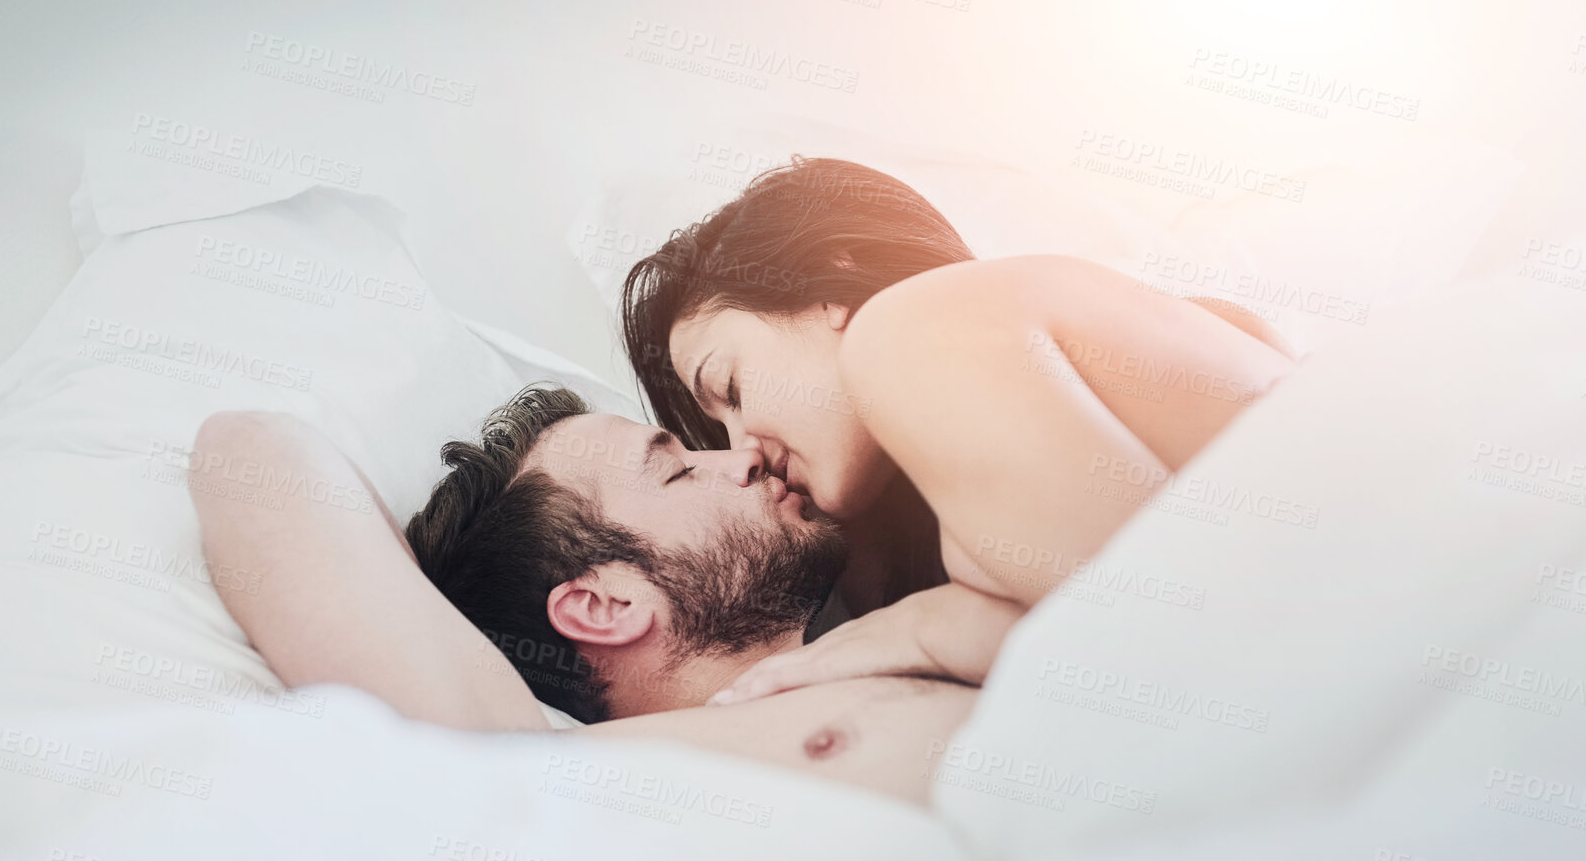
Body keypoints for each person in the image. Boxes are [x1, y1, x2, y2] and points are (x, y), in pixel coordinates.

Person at [619, 157, 1297, 705]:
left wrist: (934, 631)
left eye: (731, 389)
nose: (743, 451)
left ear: (837, 280)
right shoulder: (1117, 337)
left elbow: (1187, 654)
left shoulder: (912, 328)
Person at [188, 396, 1019, 805]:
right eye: (679, 468)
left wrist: (933, 625)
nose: (741, 460)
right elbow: (248, 452)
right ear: (601, 607)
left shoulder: (910, 631)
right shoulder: (531, 777)